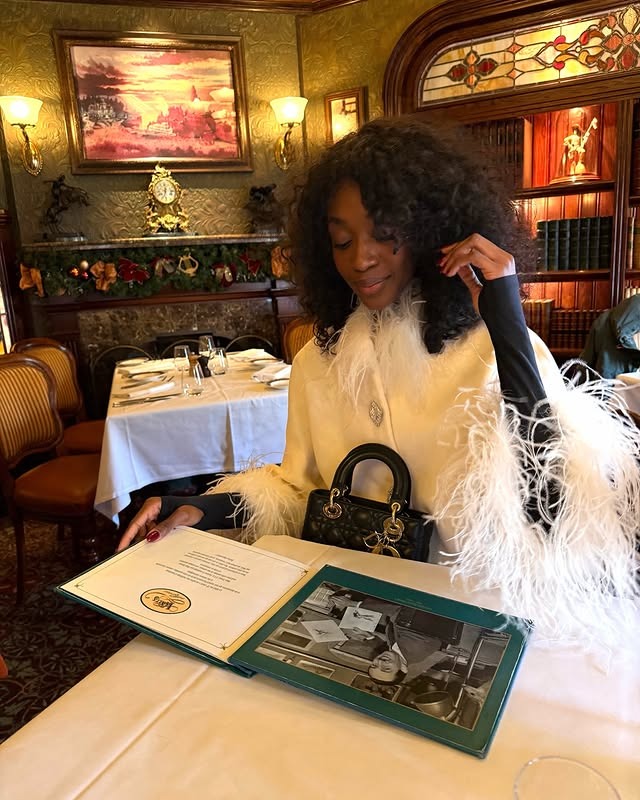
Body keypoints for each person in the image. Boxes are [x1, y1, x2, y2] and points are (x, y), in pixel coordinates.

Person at [118, 118, 640, 650]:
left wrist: (508, 324)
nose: (360, 259)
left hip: (476, 620)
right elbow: (301, 494)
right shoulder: (317, 364)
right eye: (342, 240)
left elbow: (553, 511)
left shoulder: (492, 351)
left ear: (428, 230)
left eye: (385, 235)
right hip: (349, 617)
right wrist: (203, 509)